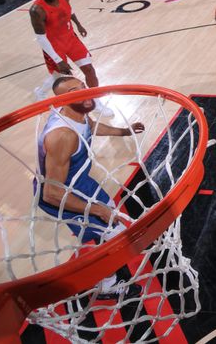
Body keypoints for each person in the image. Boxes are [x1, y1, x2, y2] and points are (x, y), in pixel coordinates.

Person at [37, 76, 144, 299]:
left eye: (83, 86)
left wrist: (125, 131)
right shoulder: (62, 135)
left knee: (111, 226)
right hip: (61, 195)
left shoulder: (77, 113)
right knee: (113, 233)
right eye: (74, 91)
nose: (84, 92)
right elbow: (51, 193)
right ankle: (107, 286)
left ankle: (105, 256)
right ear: (63, 100)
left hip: (79, 182)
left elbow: (92, 126)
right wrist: (95, 209)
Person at [30, 0, 108, 113]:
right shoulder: (37, 10)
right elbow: (41, 39)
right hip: (53, 44)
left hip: (71, 38)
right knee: (58, 77)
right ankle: (40, 92)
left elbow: (69, 11)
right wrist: (58, 60)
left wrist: (78, 24)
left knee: (89, 69)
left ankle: (95, 100)